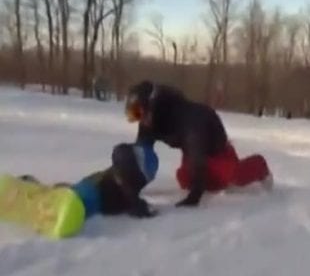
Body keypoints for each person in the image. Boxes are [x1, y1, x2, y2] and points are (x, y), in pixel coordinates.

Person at [124, 81, 273, 208]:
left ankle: (259, 165)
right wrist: (129, 186)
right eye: (133, 115)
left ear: (152, 106)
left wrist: (194, 196)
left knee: (230, 179)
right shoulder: (149, 121)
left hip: (216, 152)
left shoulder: (190, 120)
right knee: (185, 180)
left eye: (138, 113)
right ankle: (210, 180)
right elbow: (141, 154)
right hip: (192, 152)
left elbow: (197, 158)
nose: (139, 120)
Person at [20, 142, 159, 219]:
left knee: (67, 194)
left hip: (88, 193)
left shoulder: (128, 188)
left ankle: (36, 190)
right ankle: (32, 191)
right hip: (90, 192)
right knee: (67, 196)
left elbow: (135, 203)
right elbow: (134, 201)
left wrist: (143, 208)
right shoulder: (121, 177)